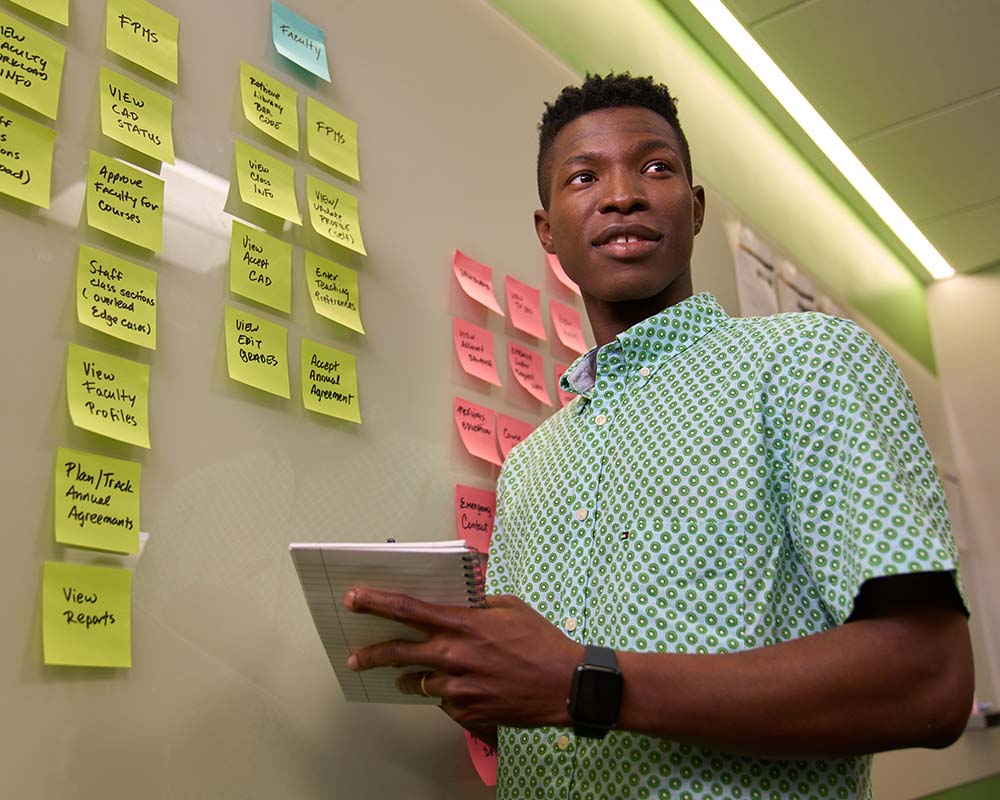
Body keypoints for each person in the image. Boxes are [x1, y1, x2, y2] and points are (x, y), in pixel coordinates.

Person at [343, 73, 973, 799]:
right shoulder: (530, 465)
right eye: (584, 177)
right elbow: (541, 697)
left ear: (695, 208)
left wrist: (583, 682)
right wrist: (483, 689)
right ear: (547, 231)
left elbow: (927, 680)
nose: (622, 195)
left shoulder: (807, 362)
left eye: (655, 167)